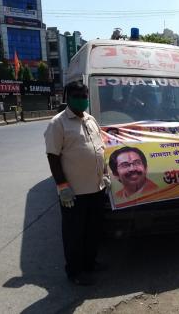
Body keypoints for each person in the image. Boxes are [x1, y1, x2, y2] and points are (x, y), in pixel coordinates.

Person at [44, 81, 109, 285]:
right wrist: (62, 186)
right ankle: (74, 272)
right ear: (68, 98)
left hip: (97, 188)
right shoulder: (58, 123)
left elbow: (99, 148)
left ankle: (90, 263)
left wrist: (105, 175)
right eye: (78, 96)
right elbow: (53, 157)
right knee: (74, 234)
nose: (83, 99)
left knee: (93, 231)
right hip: (74, 193)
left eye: (85, 95)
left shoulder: (90, 119)